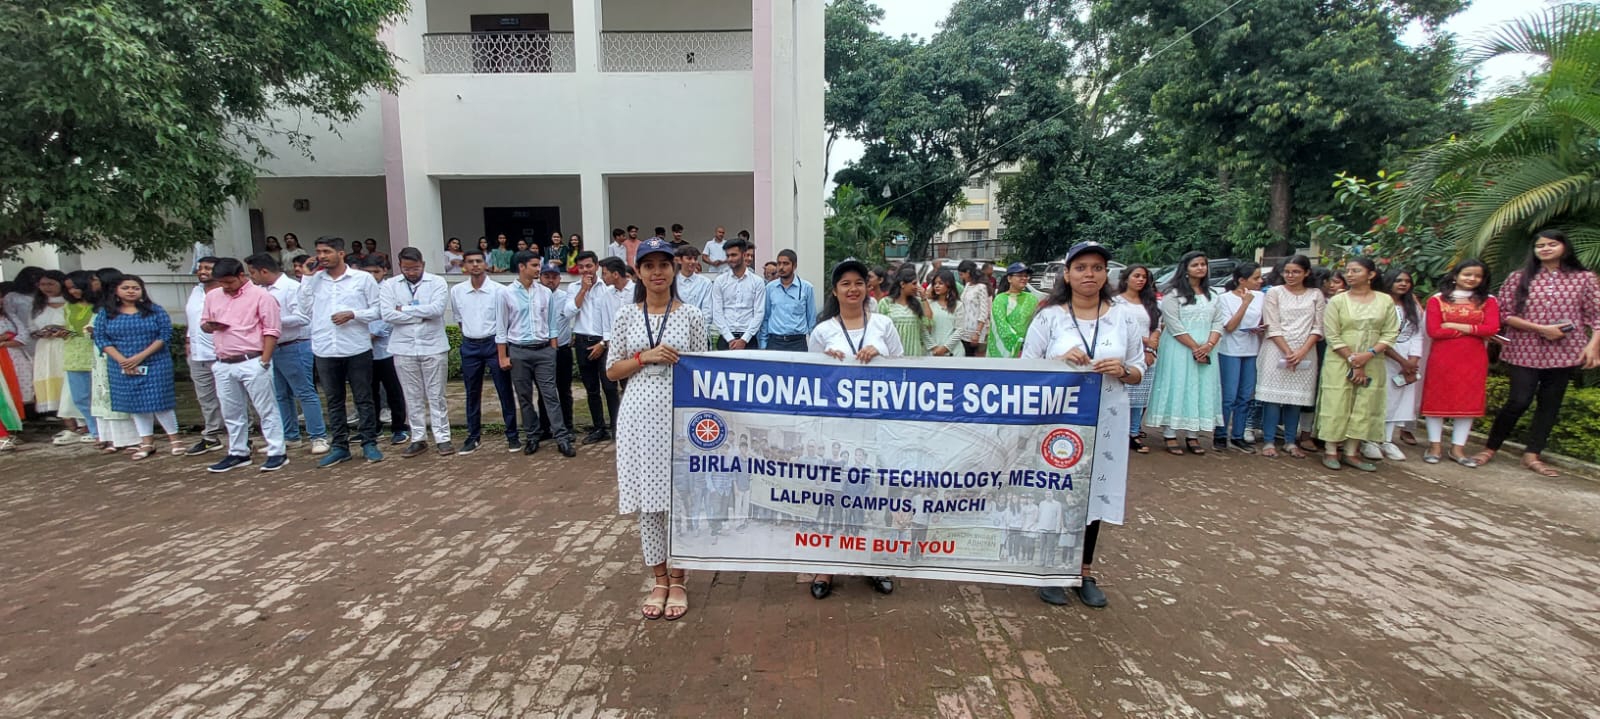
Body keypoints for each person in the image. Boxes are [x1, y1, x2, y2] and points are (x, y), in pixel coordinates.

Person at [1020, 241, 1144, 608]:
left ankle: (1083, 570)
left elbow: (1139, 368)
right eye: (1081, 267)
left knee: (1093, 493)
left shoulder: (1123, 317)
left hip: (1107, 418)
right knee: (1057, 492)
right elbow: (1026, 367)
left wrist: (1123, 369)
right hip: (1059, 419)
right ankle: (1050, 569)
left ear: (1106, 274)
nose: (1089, 274)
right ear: (1067, 274)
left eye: (1097, 267)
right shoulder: (1049, 317)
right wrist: (1059, 361)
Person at [604, 237, 709, 620]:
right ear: (638, 272)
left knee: (680, 500)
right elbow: (612, 370)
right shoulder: (626, 316)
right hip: (638, 418)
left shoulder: (691, 315)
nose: (657, 272)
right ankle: (659, 579)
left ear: (674, 268)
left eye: (664, 264)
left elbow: (704, 370)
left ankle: (679, 579)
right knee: (649, 504)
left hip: (679, 418)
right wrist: (643, 356)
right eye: (649, 266)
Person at [806, 259, 903, 600]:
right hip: (837, 427)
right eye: (845, 283)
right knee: (833, 499)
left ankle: (872, 563)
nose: (852, 289)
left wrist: (881, 353)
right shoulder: (822, 332)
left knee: (870, 498)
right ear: (835, 291)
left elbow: (903, 369)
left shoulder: (883, 324)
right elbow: (810, 379)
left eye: (858, 282)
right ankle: (826, 566)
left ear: (868, 287)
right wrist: (826, 362)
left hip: (874, 427)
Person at [1478, 229, 1600, 475]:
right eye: (1540, 245)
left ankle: (1533, 454)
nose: (1545, 249)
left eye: (1551, 244)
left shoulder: (1584, 278)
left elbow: (1597, 316)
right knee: (1519, 400)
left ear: (1564, 247)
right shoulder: (1518, 277)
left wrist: (1592, 346)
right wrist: (1541, 329)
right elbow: (1505, 314)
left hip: (1565, 352)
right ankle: (1490, 448)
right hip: (1524, 349)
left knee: (1550, 404)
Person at [299, 237, 385, 467]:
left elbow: (378, 310)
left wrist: (353, 314)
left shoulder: (362, 279)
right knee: (334, 400)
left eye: (327, 251)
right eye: (319, 252)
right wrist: (306, 278)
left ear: (341, 253)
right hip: (325, 349)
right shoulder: (314, 281)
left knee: (363, 398)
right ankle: (339, 446)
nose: (322, 256)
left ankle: (369, 443)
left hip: (356, 347)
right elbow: (304, 310)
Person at [201, 258, 287, 473]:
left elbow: (272, 330)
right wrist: (210, 326)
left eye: (229, 282)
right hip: (223, 360)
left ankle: (277, 451)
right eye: (221, 282)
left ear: (242, 276)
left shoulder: (261, 296)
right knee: (231, 411)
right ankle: (238, 452)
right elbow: (204, 323)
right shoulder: (213, 296)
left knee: (266, 408)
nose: (225, 286)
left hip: (252, 359)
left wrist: (264, 361)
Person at [1315, 258, 1399, 472]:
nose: (1349, 275)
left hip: (1373, 359)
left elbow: (1390, 333)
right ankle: (1331, 450)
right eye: (1348, 271)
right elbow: (1332, 334)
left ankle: (1352, 452)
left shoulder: (1385, 301)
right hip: (1340, 358)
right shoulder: (1338, 301)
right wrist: (1354, 360)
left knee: (1365, 403)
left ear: (1371, 275)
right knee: (1337, 401)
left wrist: (1369, 354)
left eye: (1356, 271)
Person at [246, 253, 329, 455]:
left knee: (304, 392)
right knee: (280, 395)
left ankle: (318, 436)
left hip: (294, 345)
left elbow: (303, 317)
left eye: (253, 273)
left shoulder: (291, 288)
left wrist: (271, 321)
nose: (251, 278)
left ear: (264, 271)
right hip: (272, 347)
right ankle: (290, 435)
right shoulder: (260, 291)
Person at [497, 250, 577, 457]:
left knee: (550, 395)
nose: (537, 269)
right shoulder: (506, 293)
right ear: (521, 267)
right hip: (519, 351)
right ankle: (532, 436)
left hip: (543, 351)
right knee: (524, 397)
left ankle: (562, 437)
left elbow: (551, 324)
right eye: (534, 265)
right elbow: (501, 327)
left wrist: (552, 349)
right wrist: (503, 356)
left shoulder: (544, 293)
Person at [94, 275, 183, 460]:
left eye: (135, 288)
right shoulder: (106, 313)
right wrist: (122, 360)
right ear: (116, 291)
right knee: (135, 404)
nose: (131, 291)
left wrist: (140, 357)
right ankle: (147, 442)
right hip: (121, 364)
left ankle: (175, 441)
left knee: (161, 401)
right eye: (126, 288)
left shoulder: (155, 310)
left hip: (155, 361)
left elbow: (165, 335)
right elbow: (101, 338)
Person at [1421, 260, 1499, 466]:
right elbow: (1434, 331)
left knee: (1467, 402)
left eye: (1477, 276)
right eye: (1467, 274)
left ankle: (1458, 448)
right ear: (1455, 276)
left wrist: (1454, 325)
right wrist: (1474, 330)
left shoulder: (1488, 300)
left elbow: (1492, 328)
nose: (1472, 279)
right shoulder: (1437, 300)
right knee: (1437, 399)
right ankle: (1434, 446)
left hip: (1473, 358)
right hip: (1442, 357)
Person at [1146, 252, 1225, 454]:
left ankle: (1192, 434)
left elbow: (1218, 322)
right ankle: (1170, 433)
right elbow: (1173, 324)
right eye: (1195, 265)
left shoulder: (1213, 295)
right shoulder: (1173, 294)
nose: (1200, 268)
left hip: (1207, 348)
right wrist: (1195, 347)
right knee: (1177, 385)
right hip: (1179, 348)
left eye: (1203, 264)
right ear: (1186, 269)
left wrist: (1209, 345)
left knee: (1200, 388)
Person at [380, 247, 453, 458]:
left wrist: (403, 309)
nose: (411, 272)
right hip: (403, 347)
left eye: (416, 268)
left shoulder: (437, 282)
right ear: (400, 266)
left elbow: (437, 310)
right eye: (406, 269)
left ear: (423, 264)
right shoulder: (390, 285)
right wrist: (421, 314)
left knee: (436, 395)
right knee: (411, 395)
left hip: (433, 346)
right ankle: (418, 438)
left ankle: (443, 438)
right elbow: (387, 315)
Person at [1254, 256, 1325, 459]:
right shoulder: (1274, 293)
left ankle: (1290, 441)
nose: (1290, 276)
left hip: (1306, 350)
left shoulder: (1316, 294)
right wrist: (1287, 351)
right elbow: (1272, 325)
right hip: (1276, 349)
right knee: (1272, 398)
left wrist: (1302, 351)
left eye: (1296, 272)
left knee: (1296, 398)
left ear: (1306, 273)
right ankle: (1269, 440)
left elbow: (1318, 326)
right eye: (1287, 272)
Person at [451, 247, 519, 455]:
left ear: (485, 264)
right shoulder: (457, 291)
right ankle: (473, 437)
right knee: (472, 392)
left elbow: (507, 321)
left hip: (494, 344)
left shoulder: (500, 291)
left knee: (504, 390)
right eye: (470, 262)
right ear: (464, 265)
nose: (475, 265)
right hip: (470, 345)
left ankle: (512, 436)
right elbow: (459, 320)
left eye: (478, 261)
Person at [1365, 268, 1425, 462]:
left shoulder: (1411, 306)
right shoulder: (1380, 303)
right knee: (1381, 398)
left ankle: (1387, 440)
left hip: (1407, 359)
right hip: (1384, 356)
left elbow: (1417, 334)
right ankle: (1370, 440)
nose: (1403, 284)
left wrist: (1413, 360)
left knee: (1399, 401)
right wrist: (1402, 361)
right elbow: (1380, 336)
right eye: (1398, 280)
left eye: (1407, 281)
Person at [571, 252, 622, 444]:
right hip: (582, 341)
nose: (585, 270)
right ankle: (599, 428)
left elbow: (613, 317)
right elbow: (569, 311)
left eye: (589, 266)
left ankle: (617, 428)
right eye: (581, 267)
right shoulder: (574, 288)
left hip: (604, 342)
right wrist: (583, 290)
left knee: (609, 387)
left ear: (596, 266)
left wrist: (603, 343)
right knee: (591, 388)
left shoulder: (607, 289)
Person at [1215, 263, 1264, 452]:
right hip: (1230, 350)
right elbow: (1229, 326)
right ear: (1242, 280)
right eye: (1256, 278)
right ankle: (1220, 434)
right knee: (1229, 396)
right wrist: (1245, 303)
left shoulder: (1261, 296)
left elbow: (1262, 320)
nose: (1260, 281)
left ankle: (1238, 435)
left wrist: (1260, 328)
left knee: (1245, 396)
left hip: (1251, 349)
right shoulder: (1225, 298)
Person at [360, 257, 409, 446]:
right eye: (368, 272)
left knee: (393, 390)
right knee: (368, 391)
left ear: (384, 271)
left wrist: (374, 333)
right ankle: (373, 428)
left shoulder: (389, 289)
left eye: (376, 272)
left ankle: (399, 428)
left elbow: (392, 316)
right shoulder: (360, 290)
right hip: (364, 350)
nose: (372, 276)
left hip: (387, 349)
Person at [182, 257, 226, 455]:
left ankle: (244, 437)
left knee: (232, 397)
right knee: (206, 398)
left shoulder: (226, 292)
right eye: (200, 268)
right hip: (198, 354)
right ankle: (211, 437)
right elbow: (192, 319)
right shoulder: (196, 291)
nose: (202, 271)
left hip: (222, 353)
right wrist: (188, 340)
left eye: (208, 268)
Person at [1115, 266, 1160, 453]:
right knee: (1121, 396)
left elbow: (1156, 326)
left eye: (1144, 277)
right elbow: (1117, 328)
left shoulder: (1150, 302)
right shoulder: (1116, 302)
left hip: (1147, 354)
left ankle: (1134, 433)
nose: (1141, 280)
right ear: (1126, 279)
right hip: (1124, 353)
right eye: (1136, 276)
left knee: (1139, 398)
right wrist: (1144, 340)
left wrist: (1151, 347)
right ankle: (1117, 433)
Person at [535, 261, 579, 445]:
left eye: (554, 277)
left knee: (564, 390)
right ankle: (545, 428)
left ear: (560, 279)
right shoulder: (534, 296)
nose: (550, 280)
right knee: (544, 391)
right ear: (540, 277)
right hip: (542, 350)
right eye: (547, 276)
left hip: (562, 350)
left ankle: (567, 427)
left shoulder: (566, 297)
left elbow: (574, 313)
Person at [60, 271, 99, 444]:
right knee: (80, 397)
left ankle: (105, 431)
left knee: (100, 395)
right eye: (69, 288)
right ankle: (94, 430)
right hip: (73, 355)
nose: (72, 291)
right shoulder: (68, 306)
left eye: (75, 287)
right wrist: (62, 332)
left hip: (96, 352)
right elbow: (70, 328)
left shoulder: (100, 305)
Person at [29, 271, 70, 422]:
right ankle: (55, 412)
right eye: (43, 284)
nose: (46, 287)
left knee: (64, 376)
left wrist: (61, 331)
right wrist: (41, 333)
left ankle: (70, 412)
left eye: (51, 284)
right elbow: (30, 329)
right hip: (44, 347)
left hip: (64, 345)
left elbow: (78, 329)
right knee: (47, 374)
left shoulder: (70, 304)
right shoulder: (37, 306)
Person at [710, 237, 765, 350]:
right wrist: (730, 338)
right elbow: (717, 312)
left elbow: (759, 313)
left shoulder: (757, 282)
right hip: (726, 338)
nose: (730, 259)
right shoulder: (720, 281)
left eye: (734, 255)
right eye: (728, 256)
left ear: (744, 255)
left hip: (749, 339)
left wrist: (744, 339)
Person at [760, 249, 816, 351]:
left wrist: (814, 347)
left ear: (794, 266)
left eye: (785, 264)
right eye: (779, 263)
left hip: (798, 342)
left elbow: (811, 319)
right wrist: (763, 344)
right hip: (775, 342)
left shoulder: (807, 288)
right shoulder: (770, 288)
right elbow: (765, 317)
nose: (781, 267)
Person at [879, 265, 931, 357]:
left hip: (914, 354)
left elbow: (928, 323)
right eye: (914, 283)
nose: (917, 287)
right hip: (893, 355)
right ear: (902, 284)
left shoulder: (918, 303)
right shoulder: (886, 303)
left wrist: (924, 298)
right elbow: (879, 330)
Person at [987, 263, 1037, 358]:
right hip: (1003, 349)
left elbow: (1035, 323)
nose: (1024, 278)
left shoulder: (1032, 299)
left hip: (1026, 349)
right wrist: (1019, 341)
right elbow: (1001, 325)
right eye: (1020, 275)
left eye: (1026, 276)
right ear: (1009, 279)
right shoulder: (1000, 299)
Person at [674, 245, 714, 347]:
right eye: (689, 258)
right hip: (675, 331)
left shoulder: (705, 283)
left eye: (695, 259)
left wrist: (699, 329)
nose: (692, 262)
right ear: (679, 260)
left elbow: (707, 311)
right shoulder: (672, 282)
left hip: (699, 332)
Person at [925, 269, 965, 357]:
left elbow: (960, 330)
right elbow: (923, 328)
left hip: (954, 352)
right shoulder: (928, 304)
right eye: (935, 283)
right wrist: (934, 347)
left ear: (949, 285)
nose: (937, 286)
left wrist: (945, 348)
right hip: (932, 351)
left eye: (940, 283)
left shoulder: (958, 305)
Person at [957, 260, 991, 356]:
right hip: (964, 327)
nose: (961, 277)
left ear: (968, 272)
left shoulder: (981, 287)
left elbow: (984, 312)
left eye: (961, 274)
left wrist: (977, 332)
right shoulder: (967, 285)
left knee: (971, 356)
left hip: (975, 329)